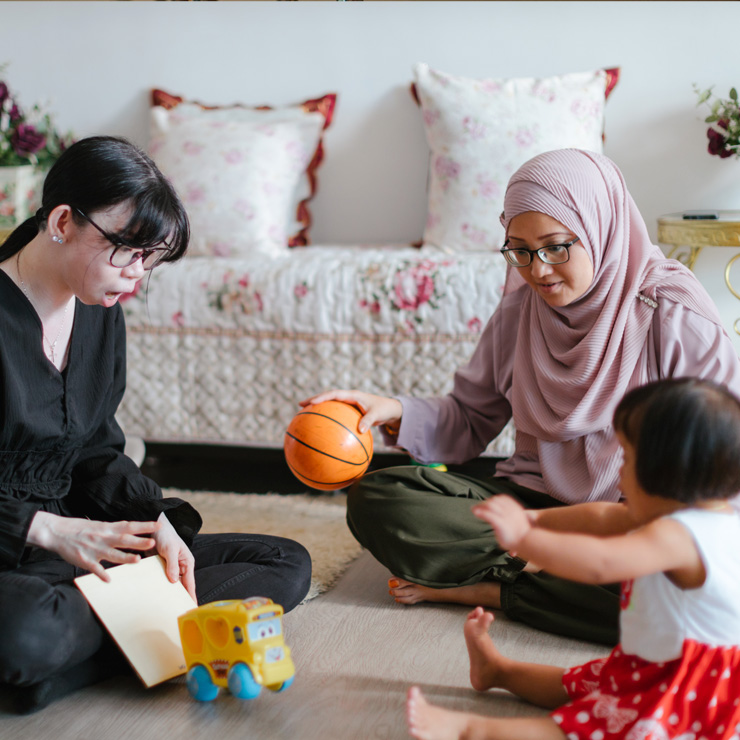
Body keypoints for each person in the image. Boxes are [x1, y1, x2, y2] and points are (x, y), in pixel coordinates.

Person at [302, 148, 740, 645]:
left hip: (635, 515)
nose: (539, 270)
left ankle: (498, 588)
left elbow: (723, 451)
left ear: (602, 227)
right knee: (380, 498)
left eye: (556, 247)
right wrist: (393, 409)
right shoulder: (520, 313)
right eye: (520, 250)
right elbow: (469, 417)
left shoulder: (671, 313)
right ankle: (545, 571)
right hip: (534, 502)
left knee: (686, 592)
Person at [0, 136, 312, 714]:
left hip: (81, 542)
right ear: (63, 221)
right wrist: (44, 530)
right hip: (17, 550)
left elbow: (95, 449)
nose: (137, 277)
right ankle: (125, 638)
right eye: (128, 252)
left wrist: (155, 518)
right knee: (25, 630)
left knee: (286, 565)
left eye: (150, 261)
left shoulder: (98, 311)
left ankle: (71, 666)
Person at [406, 377, 740, 740]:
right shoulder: (684, 513)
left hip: (688, 688)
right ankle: (497, 671)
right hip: (652, 662)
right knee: (583, 683)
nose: (618, 471)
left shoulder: (679, 536)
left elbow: (601, 563)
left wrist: (525, 539)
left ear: (667, 470)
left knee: (595, 724)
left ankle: (473, 729)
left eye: (626, 459)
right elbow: (603, 517)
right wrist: (536, 518)